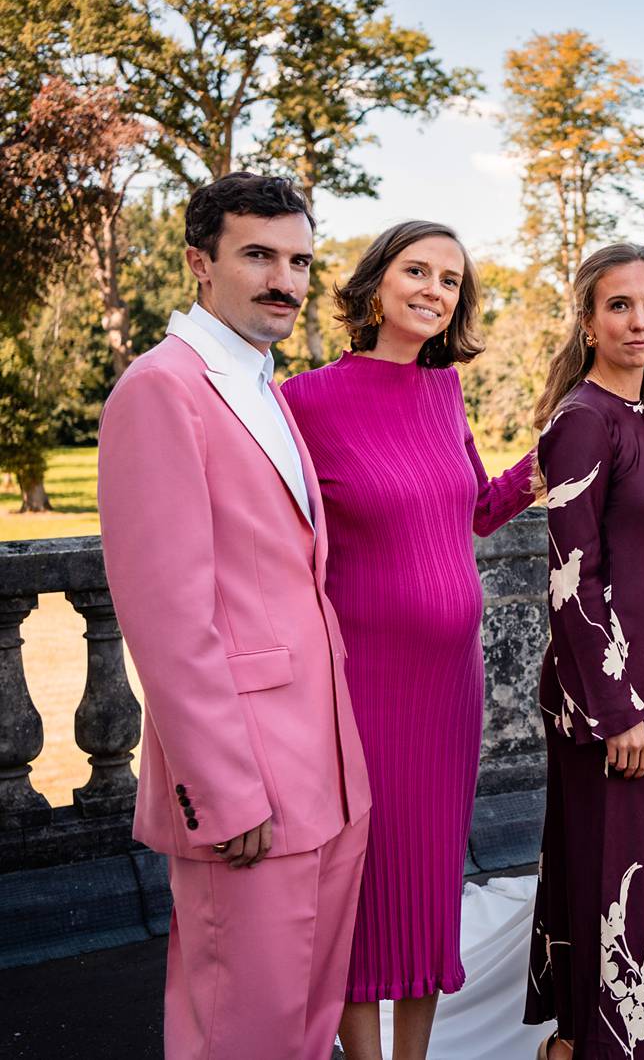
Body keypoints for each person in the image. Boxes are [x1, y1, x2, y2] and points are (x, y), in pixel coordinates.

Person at [97, 172, 371, 1060]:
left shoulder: (264, 386)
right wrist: (222, 788)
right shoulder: (161, 390)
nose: (283, 279)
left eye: (298, 259)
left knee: (303, 1027)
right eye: (257, 254)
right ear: (198, 264)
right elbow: (166, 619)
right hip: (246, 781)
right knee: (239, 1034)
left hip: (326, 774)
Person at [279, 221, 538, 1060]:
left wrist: (556, 454)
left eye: (451, 281)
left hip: (449, 689)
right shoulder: (303, 400)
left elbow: (475, 511)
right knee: (363, 883)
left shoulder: (444, 392)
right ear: (375, 284)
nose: (433, 289)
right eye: (416, 271)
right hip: (364, 684)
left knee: (429, 884)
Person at [524, 243, 644, 1059]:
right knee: (623, 888)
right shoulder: (581, 421)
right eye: (619, 305)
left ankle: (583, 1047)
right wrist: (614, 711)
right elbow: (573, 578)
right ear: (588, 320)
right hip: (617, 703)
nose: (640, 320)